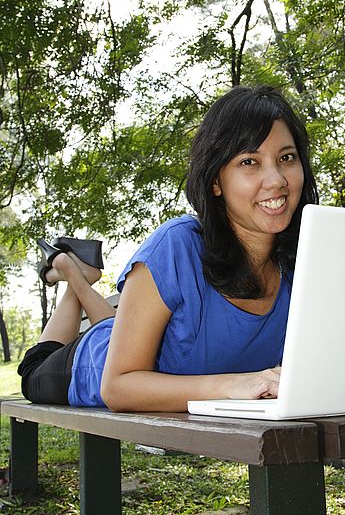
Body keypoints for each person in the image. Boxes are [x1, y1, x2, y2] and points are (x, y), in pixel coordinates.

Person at [18, 85, 319, 412]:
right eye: (249, 161)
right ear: (215, 181)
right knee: (34, 366)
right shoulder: (177, 245)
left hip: (132, 334)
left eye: (286, 157)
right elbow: (116, 385)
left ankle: (72, 273)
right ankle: (69, 273)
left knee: (112, 326)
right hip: (87, 366)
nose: (276, 179)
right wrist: (232, 384)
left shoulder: (302, 261)